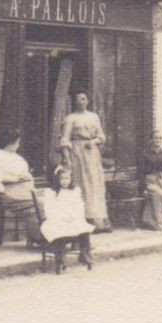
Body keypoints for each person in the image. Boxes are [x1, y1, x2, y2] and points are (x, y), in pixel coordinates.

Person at [59, 91, 111, 231]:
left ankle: (98, 219)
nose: (80, 102)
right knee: (82, 184)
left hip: (92, 153)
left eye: (83, 99)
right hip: (77, 153)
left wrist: (93, 142)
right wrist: (68, 159)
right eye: (78, 99)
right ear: (75, 102)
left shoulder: (93, 117)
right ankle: (83, 219)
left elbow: (102, 136)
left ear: (87, 101)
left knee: (94, 184)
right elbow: (65, 139)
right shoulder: (70, 118)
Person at [39, 165, 95, 267]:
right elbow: (49, 210)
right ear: (57, 179)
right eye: (61, 179)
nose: (65, 181)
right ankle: (60, 259)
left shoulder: (74, 191)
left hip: (71, 220)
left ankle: (84, 254)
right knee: (59, 230)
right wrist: (61, 218)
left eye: (67, 178)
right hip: (55, 220)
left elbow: (79, 207)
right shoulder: (51, 193)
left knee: (84, 229)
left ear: (71, 179)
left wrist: (74, 217)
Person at [0, 130, 35, 203]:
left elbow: (26, 174)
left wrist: (25, 177)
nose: (18, 146)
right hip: (11, 194)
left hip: (25, 192)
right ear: (10, 143)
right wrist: (3, 188)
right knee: (44, 204)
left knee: (47, 200)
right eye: (17, 143)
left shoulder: (17, 158)